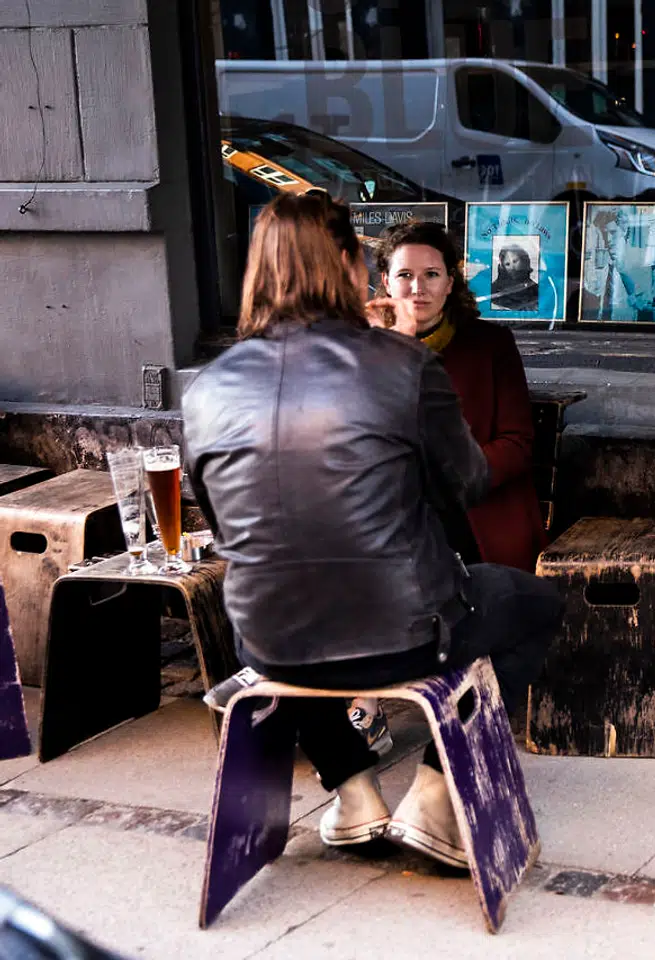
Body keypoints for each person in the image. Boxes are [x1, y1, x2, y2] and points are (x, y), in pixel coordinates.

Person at [183, 192, 563, 867]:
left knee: (291, 622)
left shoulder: (207, 387)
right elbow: (467, 483)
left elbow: (223, 523)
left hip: (263, 641)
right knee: (535, 602)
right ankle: (434, 798)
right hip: (402, 635)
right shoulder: (402, 363)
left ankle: (356, 792)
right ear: (350, 266)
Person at [375, 220, 549, 572]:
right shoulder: (364, 351)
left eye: (432, 274)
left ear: (450, 283)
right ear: (386, 282)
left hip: (475, 516)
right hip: (390, 522)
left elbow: (516, 442)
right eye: (405, 274)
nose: (417, 288)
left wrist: (456, 480)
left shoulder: (490, 345)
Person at [580, 209, 636, 321]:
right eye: (605, 233)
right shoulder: (605, 262)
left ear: (624, 231)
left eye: (613, 233)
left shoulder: (632, 259)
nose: (608, 239)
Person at [491, 245, 541, 312]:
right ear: (503, 267)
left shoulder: (536, 289)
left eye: (515, 261)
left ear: (524, 260)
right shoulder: (494, 290)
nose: (512, 268)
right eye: (507, 264)